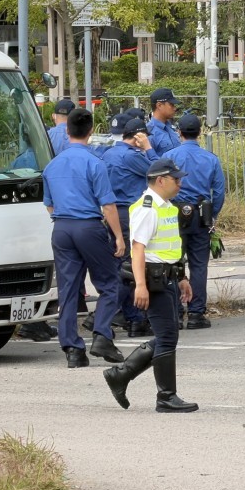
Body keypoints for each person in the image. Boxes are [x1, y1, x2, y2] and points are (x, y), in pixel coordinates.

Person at [102, 158, 198, 413]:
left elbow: (169, 248)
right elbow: (138, 249)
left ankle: (120, 375)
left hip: (166, 277)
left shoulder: (166, 206)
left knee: (168, 335)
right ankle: (165, 397)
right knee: (167, 337)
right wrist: (140, 286)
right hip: (152, 279)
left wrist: (181, 277)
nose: (180, 183)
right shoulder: (147, 208)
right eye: (176, 179)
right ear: (160, 180)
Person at [42, 107, 127, 368]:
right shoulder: (94, 162)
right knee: (110, 283)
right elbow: (108, 205)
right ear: (91, 132)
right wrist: (119, 237)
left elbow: (49, 205)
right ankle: (101, 334)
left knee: (68, 290)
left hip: (62, 228)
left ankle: (72, 350)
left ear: (66, 131)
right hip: (88, 227)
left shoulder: (52, 165)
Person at [101, 116, 160, 337]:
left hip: (113, 213)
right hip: (130, 214)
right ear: (137, 137)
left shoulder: (108, 154)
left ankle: (135, 319)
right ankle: (100, 316)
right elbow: (160, 172)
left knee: (122, 268)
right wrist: (148, 148)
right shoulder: (131, 156)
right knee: (131, 267)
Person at [168, 114, 226, 329]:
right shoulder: (210, 158)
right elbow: (219, 192)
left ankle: (175, 311)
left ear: (179, 133)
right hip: (201, 213)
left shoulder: (169, 156)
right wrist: (213, 215)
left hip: (173, 214)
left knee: (173, 263)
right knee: (199, 264)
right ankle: (196, 313)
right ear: (200, 133)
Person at [147, 88, 181, 154]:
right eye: (171, 104)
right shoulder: (149, 132)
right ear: (159, 105)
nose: (175, 108)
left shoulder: (171, 128)